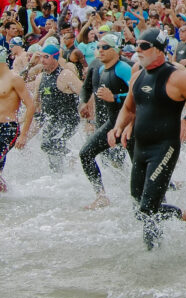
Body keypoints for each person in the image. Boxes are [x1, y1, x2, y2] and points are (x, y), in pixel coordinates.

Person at [107, 28, 186, 249]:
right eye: (137, 45)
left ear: (158, 50)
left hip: (164, 147)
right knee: (140, 206)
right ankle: (153, 250)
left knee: (148, 207)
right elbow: (128, 108)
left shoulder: (178, 77)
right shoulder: (137, 76)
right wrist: (118, 127)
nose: (138, 50)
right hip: (141, 147)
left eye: (144, 46)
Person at [78, 34, 132, 209]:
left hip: (131, 123)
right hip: (112, 123)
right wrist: (86, 106)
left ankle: (173, 188)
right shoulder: (101, 70)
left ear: (116, 50)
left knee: (141, 167)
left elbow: (139, 94)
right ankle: (101, 196)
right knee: (85, 153)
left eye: (105, 47)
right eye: (98, 47)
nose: (100, 50)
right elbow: (92, 92)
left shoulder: (124, 68)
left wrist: (115, 97)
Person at [32, 44, 83, 172]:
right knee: (50, 151)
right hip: (52, 121)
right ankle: (60, 176)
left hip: (68, 120)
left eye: (46, 57)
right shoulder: (40, 78)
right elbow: (36, 103)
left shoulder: (65, 75)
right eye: (41, 57)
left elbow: (85, 93)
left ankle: (75, 156)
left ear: (55, 58)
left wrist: (88, 114)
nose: (42, 60)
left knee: (48, 144)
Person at [0, 46, 35, 192]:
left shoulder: (15, 79)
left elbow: (31, 105)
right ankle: (6, 196)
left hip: (9, 128)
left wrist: (24, 134)